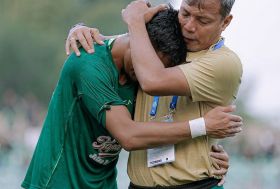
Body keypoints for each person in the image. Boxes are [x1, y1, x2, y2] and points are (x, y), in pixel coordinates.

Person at [22, 6, 243, 189]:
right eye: (185, 14)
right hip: (57, 182)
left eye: (203, 20)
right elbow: (129, 134)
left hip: (114, 184)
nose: (189, 25)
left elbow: (150, 72)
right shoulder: (88, 64)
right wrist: (78, 29)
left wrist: (205, 151)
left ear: (225, 22)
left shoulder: (220, 62)